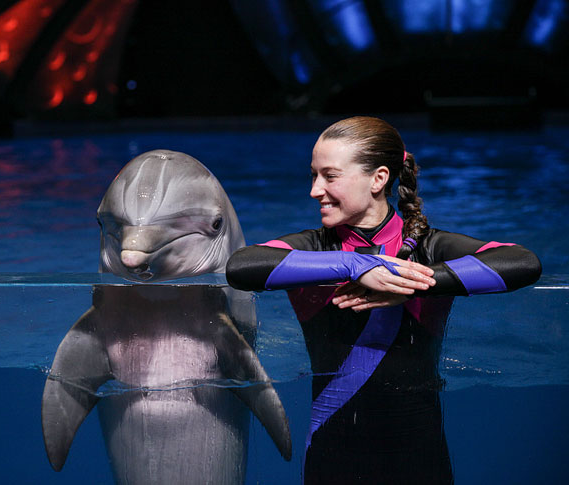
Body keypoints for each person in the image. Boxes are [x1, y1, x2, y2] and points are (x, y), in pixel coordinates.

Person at [226, 116, 542, 484]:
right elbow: (241, 266)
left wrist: (410, 283)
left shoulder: (428, 247)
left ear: (378, 179)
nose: (315, 190)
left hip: (420, 459)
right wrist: (355, 265)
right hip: (333, 460)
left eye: (329, 176)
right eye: (313, 175)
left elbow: (523, 262)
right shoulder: (314, 249)